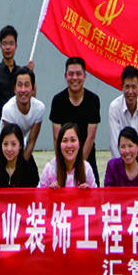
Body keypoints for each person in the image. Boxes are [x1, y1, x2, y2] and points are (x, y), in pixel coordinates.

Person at [49, 57, 101, 185]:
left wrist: (80, 166)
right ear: (65, 76)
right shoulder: (58, 101)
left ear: (84, 76)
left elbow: (90, 137)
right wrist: (65, 165)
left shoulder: (93, 100)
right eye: (71, 74)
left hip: (87, 161)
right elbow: (57, 138)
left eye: (78, 74)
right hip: (63, 163)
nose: (74, 78)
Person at [0, 65, 44, 174]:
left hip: (22, 145)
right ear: (14, 89)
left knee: (32, 175)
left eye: (27, 85)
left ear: (33, 89)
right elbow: (10, 142)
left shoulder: (39, 108)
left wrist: (22, 166)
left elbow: (31, 141)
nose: (23, 90)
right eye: (20, 85)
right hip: (5, 148)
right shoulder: (8, 109)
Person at [107, 65, 138, 168]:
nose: (130, 91)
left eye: (134, 87)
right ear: (122, 87)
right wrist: (122, 168)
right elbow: (114, 142)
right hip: (122, 161)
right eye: (127, 87)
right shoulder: (114, 107)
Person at [38, 122, 97, 189]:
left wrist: (89, 192)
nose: (69, 145)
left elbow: (96, 194)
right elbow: (38, 194)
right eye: (65, 140)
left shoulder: (86, 168)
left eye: (73, 140)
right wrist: (49, 192)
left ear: (79, 143)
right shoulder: (50, 169)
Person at [0, 123, 40, 190]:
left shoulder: (28, 170)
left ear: (20, 145)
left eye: (13, 144)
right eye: (5, 144)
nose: (9, 149)